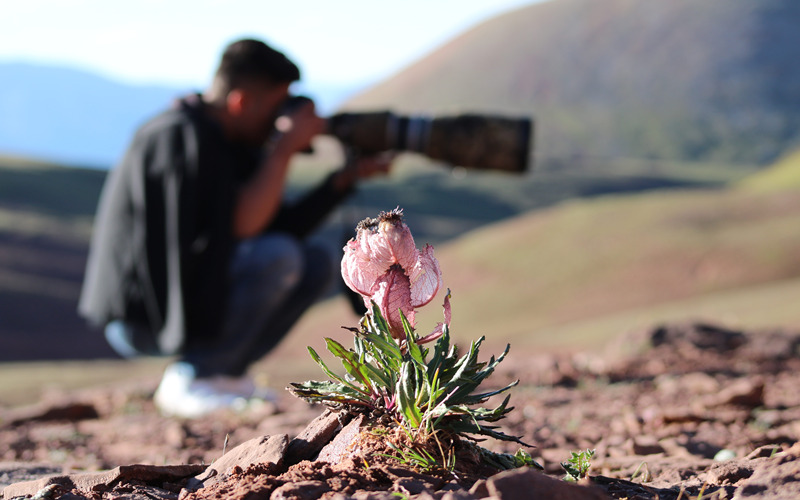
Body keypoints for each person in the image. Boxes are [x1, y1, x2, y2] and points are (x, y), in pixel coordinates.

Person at [78, 38, 392, 418]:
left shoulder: (226, 138)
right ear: (241, 101)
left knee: (315, 260)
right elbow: (245, 227)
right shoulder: (177, 137)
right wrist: (283, 150)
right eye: (276, 107)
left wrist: (343, 180)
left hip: (192, 299)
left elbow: (278, 226)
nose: (279, 121)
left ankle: (224, 373)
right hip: (145, 317)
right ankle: (196, 377)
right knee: (279, 257)